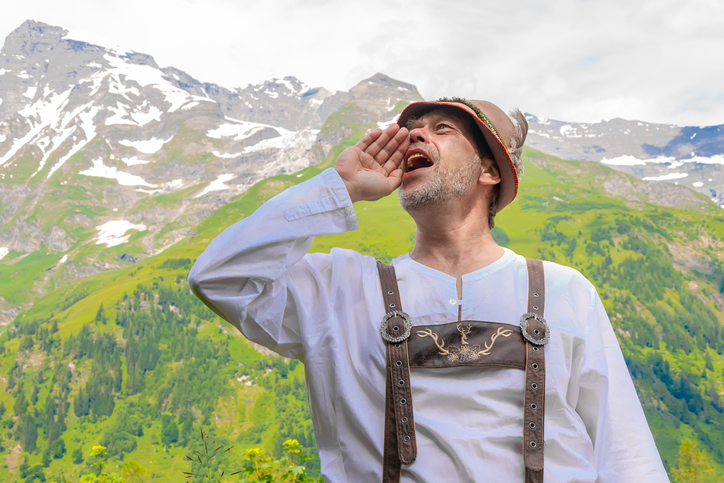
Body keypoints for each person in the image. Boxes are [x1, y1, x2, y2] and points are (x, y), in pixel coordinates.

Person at [188, 98, 669, 482]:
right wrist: (341, 186)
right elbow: (218, 278)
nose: (415, 132)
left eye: (443, 129)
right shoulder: (338, 290)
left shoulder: (563, 290)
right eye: (414, 126)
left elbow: (624, 452)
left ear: (490, 171)